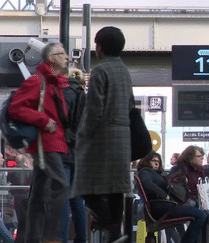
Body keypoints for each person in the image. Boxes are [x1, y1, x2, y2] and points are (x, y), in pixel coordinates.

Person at [72, 26, 132, 243]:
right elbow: (130, 104)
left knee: (86, 188)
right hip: (123, 138)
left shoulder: (100, 71)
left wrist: (82, 135)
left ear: (99, 48)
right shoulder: (124, 70)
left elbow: (94, 108)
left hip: (103, 139)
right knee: (117, 188)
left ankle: (108, 225)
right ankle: (115, 232)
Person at [8, 42, 70, 243]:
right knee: (60, 185)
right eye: (62, 54)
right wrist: (44, 121)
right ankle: (50, 236)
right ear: (52, 58)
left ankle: (33, 238)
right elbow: (16, 108)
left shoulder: (54, 83)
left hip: (53, 144)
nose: (67, 57)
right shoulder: (38, 81)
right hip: (46, 144)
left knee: (39, 195)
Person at [137, 151, 207, 243]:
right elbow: (146, 183)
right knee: (201, 215)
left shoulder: (155, 174)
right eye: (153, 160)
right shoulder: (146, 171)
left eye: (158, 161)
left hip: (165, 206)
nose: (156, 163)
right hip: (163, 208)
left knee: (203, 214)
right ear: (146, 161)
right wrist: (164, 195)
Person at [59, 68, 87, 243]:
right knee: (77, 200)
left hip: (62, 151)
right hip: (79, 153)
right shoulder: (84, 98)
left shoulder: (60, 94)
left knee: (62, 199)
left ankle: (61, 238)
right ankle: (81, 239)